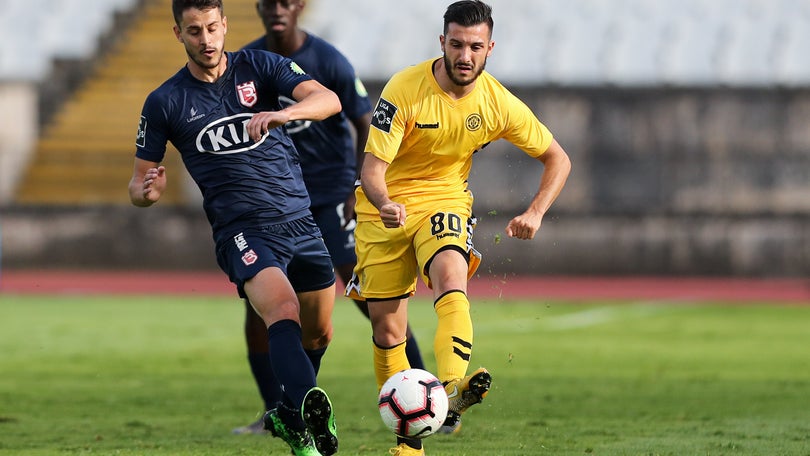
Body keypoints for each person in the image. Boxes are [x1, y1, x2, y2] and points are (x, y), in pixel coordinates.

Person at [346, 0, 572, 453]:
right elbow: (371, 169)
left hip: (445, 200)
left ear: (490, 48)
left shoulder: (496, 102)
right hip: (382, 211)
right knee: (388, 331)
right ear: (442, 43)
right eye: (456, 44)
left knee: (451, 273)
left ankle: (451, 387)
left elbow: (558, 159)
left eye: (474, 46)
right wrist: (386, 202)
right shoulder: (405, 87)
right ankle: (409, 443)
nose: (464, 55)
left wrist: (536, 212)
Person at [128, 1, 342, 455]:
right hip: (242, 230)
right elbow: (136, 185)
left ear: (224, 25)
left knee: (319, 332)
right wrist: (147, 192)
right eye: (194, 31)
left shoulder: (260, 66)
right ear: (177, 34)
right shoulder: (165, 101)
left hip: (300, 218)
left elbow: (329, 99)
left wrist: (285, 114)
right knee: (282, 311)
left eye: (211, 28)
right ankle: (309, 417)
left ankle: (286, 414)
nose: (205, 40)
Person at [230, 0, 428, 436]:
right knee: (259, 305)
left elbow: (364, 123)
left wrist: (359, 186)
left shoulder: (328, 60)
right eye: (268, 3)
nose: (277, 10)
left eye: (286, 2)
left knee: (366, 290)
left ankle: (426, 388)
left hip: (331, 195)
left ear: (300, 6)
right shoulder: (248, 63)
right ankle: (274, 412)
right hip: (278, 201)